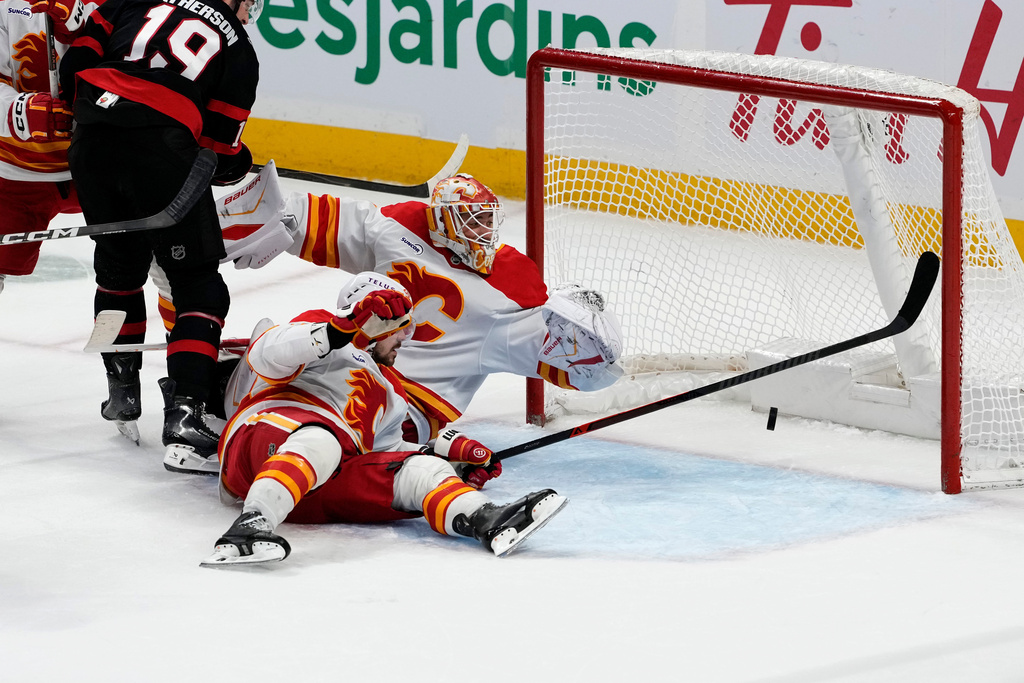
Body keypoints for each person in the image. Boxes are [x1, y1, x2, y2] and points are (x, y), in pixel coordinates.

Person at [206, 162, 624, 490]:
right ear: (441, 221)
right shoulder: (407, 234)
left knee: (268, 364)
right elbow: (584, 371)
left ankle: (266, 448)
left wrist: (582, 323)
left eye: (485, 221)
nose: (481, 232)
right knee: (271, 348)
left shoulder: (506, 288)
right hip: (357, 377)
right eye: (470, 221)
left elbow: (580, 368)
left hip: (405, 412)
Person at [203, 271, 567, 566]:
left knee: (420, 469)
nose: (405, 338)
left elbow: (387, 448)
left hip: (313, 491)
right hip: (260, 447)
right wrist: (339, 328)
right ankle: (250, 526)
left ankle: (486, 520)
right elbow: (267, 353)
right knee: (323, 436)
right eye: (399, 328)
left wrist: (452, 452)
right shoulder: (320, 331)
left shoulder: (391, 389)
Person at [57, 0, 261, 451]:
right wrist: (241, 162)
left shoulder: (132, 0)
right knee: (199, 286)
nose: (249, 13)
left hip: (91, 139)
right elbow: (218, 152)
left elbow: (74, 60)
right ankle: (187, 413)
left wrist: (101, 114)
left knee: (116, 274)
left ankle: (121, 390)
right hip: (161, 148)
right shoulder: (239, 48)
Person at [0, 0, 96, 294]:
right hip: (17, 172)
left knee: (159, 251)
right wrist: (20, 111)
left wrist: (81, 29)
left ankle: (187, 332)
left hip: (101, 163)